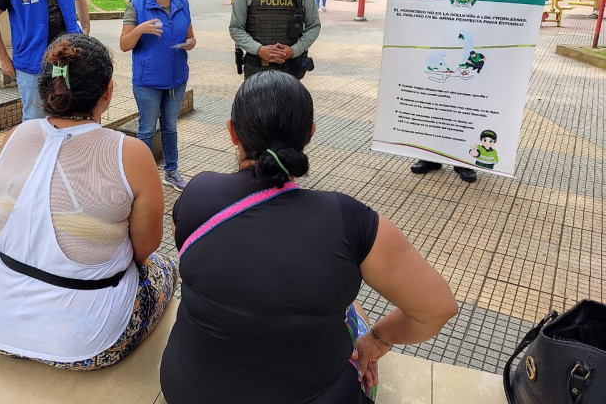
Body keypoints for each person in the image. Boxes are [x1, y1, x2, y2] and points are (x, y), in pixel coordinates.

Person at [160, 71, 458, 403]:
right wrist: (376, 341)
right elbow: (437, 309)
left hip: (187, 390)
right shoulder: (348, 221)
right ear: (311, 134)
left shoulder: (196, 194)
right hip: (319, 395)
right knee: (351, 305)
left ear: (232, 132)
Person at [0, 34, 178, 370]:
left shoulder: (16, 136)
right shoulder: (130, 153)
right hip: (86, 342)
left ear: (45, 89)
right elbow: (145, 246)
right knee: (165, 267)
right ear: (107, 92)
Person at [411, 0, 536, 183]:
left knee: (472, 109)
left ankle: (464, 160)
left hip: (478, 60)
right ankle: (432, 156)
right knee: (441, 108)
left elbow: (520, 16)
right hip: (451, 55)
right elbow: (428, 8)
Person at [120, 0, 195, 192]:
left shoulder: (182, 3)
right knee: (146, 129)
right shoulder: (137, 5)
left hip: (176, 79)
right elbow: (124, 44)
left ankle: (171, 172)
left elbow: (191, 37)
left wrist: (190, 43)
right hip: (148, 81)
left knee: (170, 127)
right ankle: (142, 176)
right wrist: (141, 29)